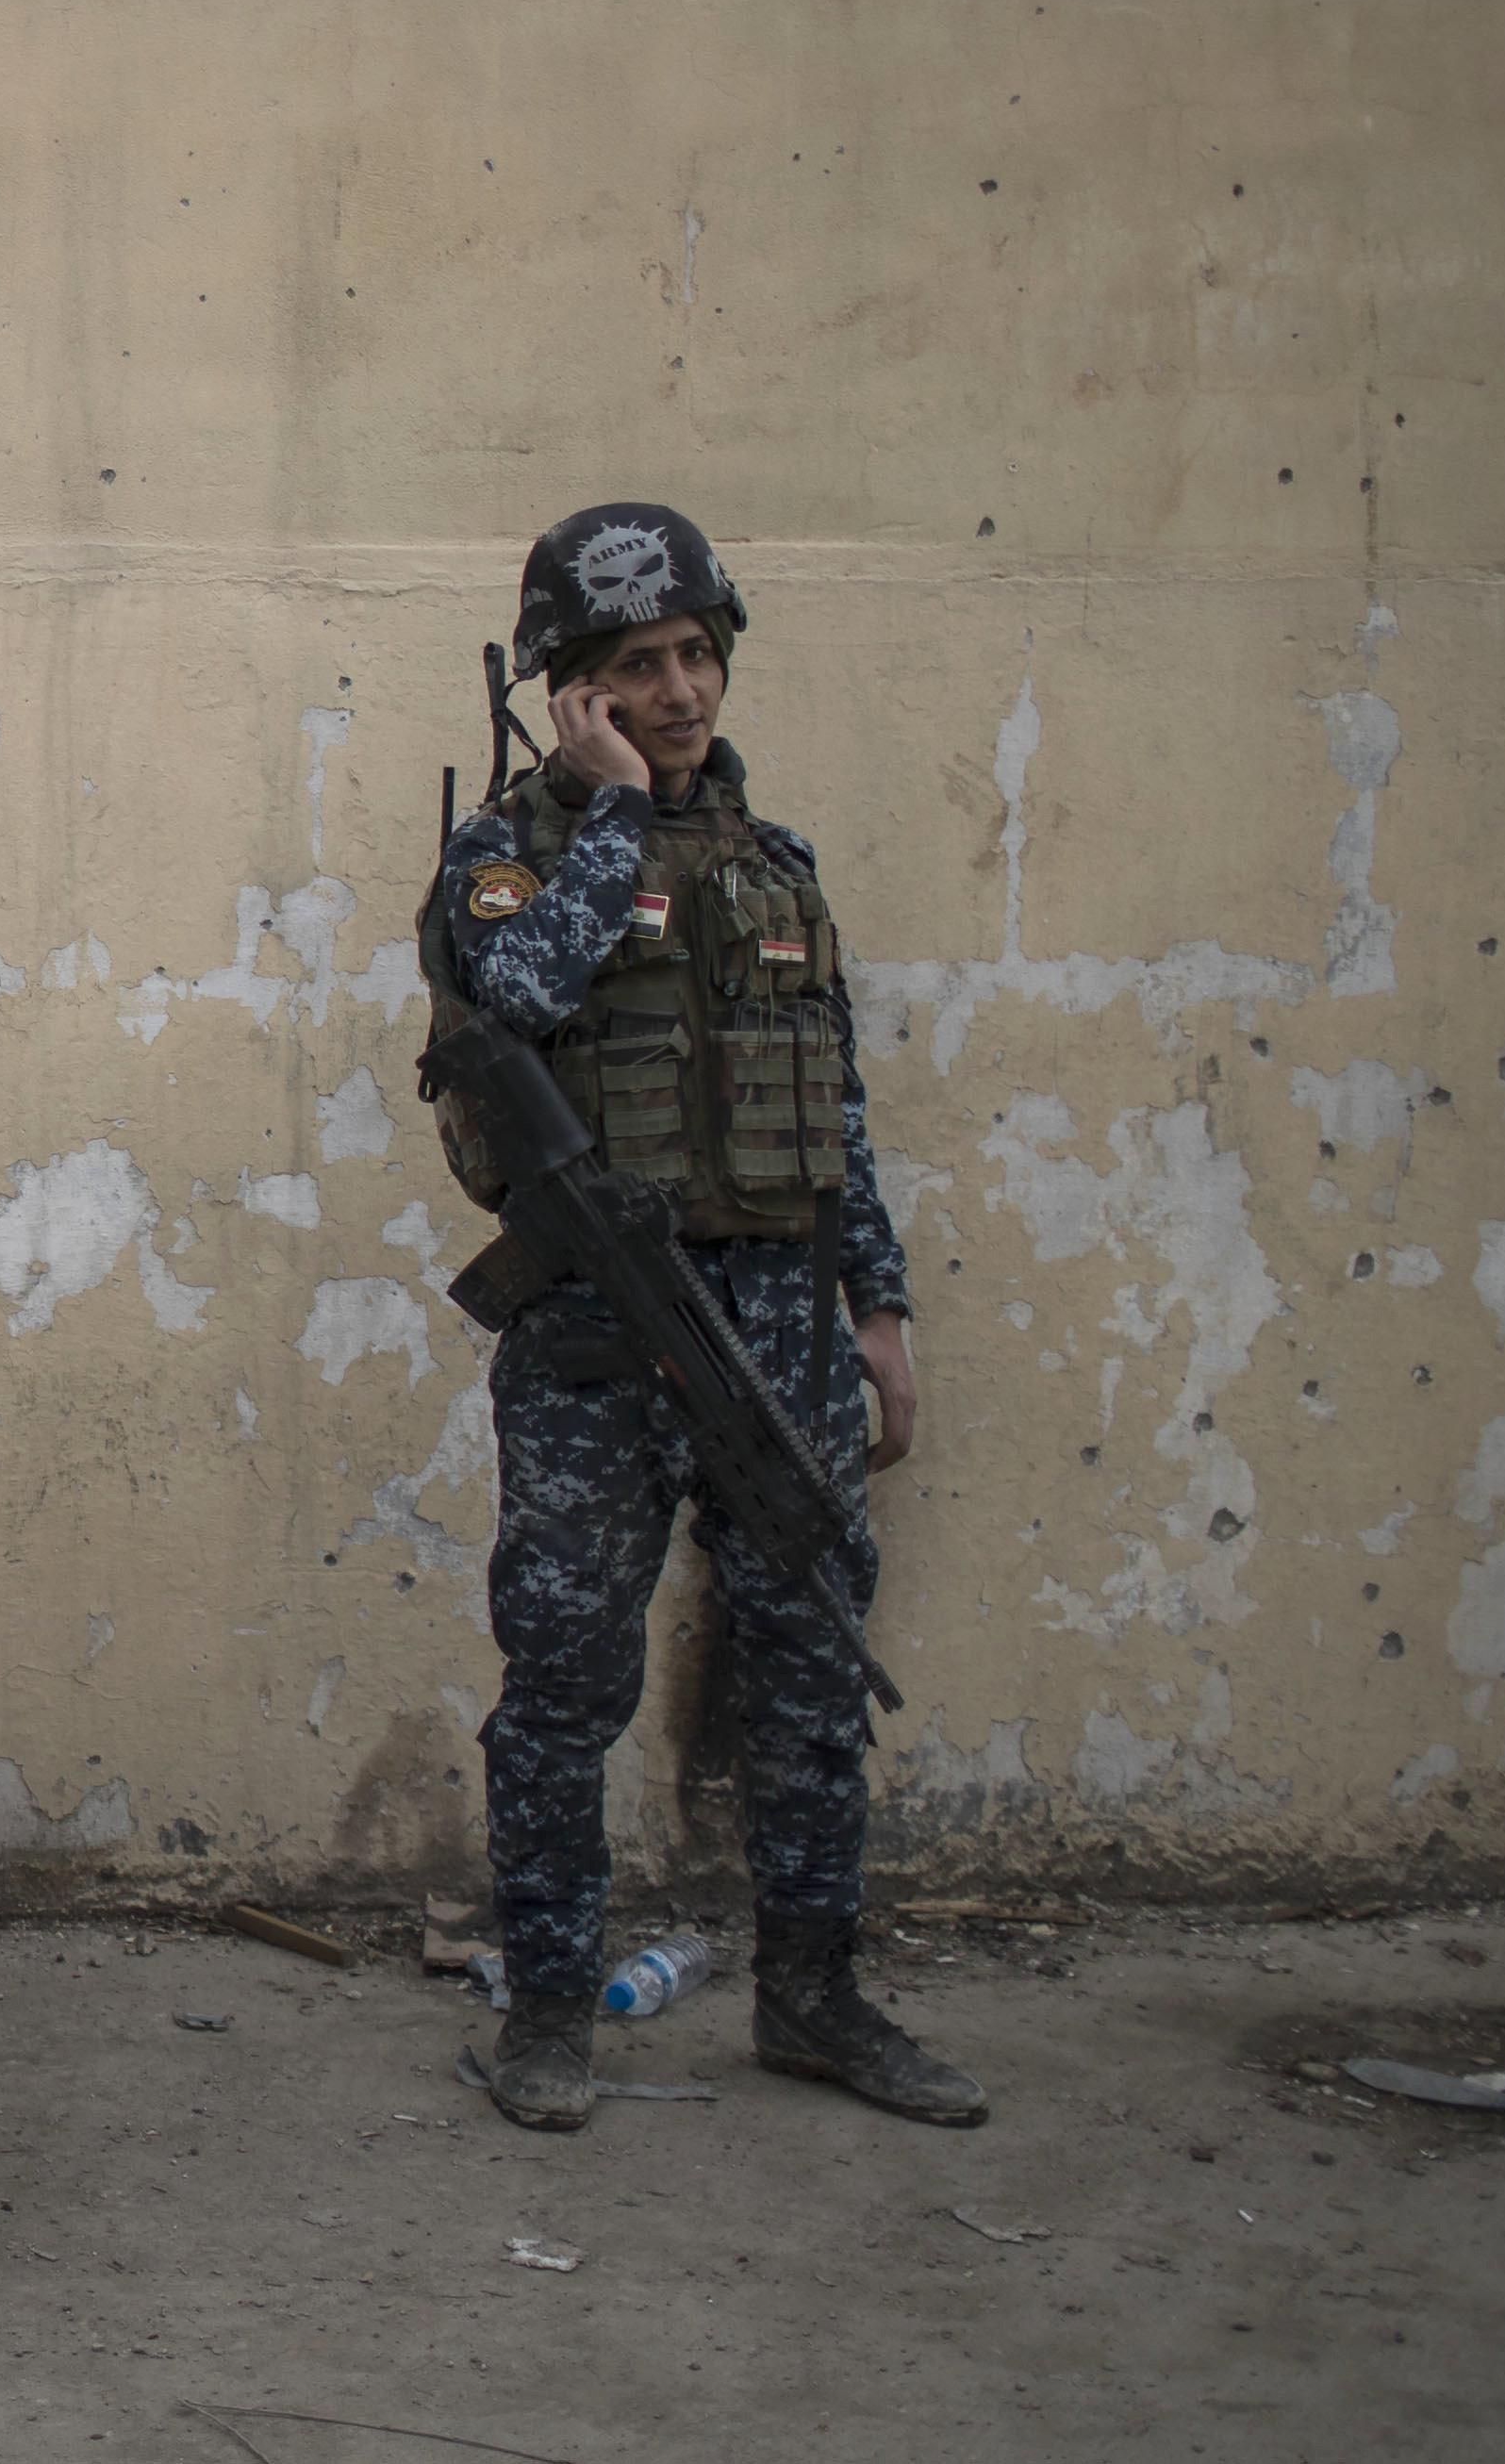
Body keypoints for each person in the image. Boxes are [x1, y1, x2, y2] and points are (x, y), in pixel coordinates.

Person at [415, 504, 981, 2135]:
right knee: (567, 1684)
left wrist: (876, 1305)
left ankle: (815, 1999)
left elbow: (839, 1100)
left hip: (782, 1318)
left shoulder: (775, 868)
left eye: (693, 655)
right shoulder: (510, 858)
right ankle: (545, 2017)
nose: (679, 692)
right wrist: (606, 816)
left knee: (808, 1670)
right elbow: (508, 1008)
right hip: (600, 1328)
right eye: (634, 669)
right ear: (571, 693)